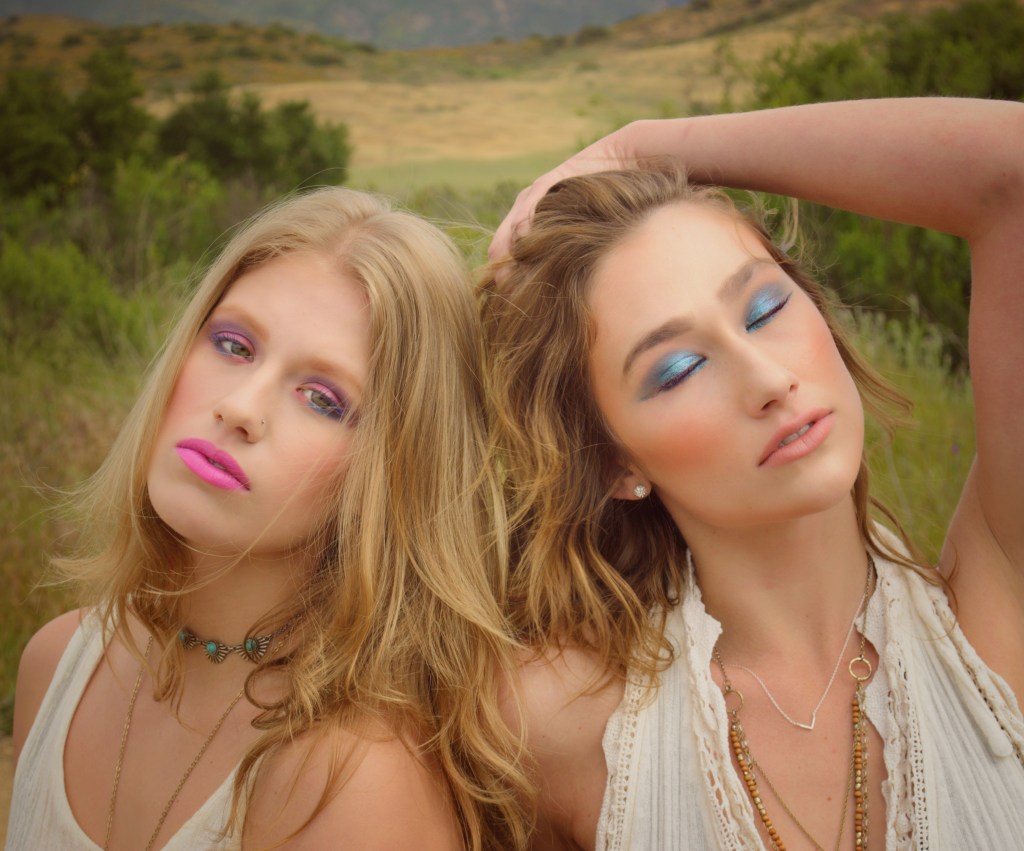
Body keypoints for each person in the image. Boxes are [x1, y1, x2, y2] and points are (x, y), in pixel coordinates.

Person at [481, 98, 1024, 850]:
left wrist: (640, 144)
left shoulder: (998, 606)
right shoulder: (558, 726)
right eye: (679, 367)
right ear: (614, 462)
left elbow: (1013, 171)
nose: (767, 376)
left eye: (765, 307)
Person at [7, 186, 529, 850]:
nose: (241, 407)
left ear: (394, 473)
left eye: (322, 397)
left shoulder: (353, 786)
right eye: (233, 345)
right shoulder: (57, 665)